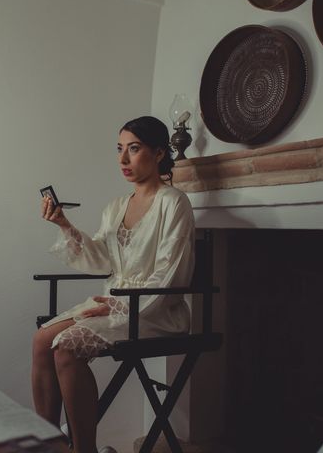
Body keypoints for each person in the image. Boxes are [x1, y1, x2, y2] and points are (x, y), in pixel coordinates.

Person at [31, 116, 194, 453]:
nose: (123, 160)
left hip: (155, 312)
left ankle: (83, 449)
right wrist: (64, 224)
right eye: (119, 149)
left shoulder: (174, 203)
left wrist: (122, 304)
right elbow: (102, 260)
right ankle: (48, 444)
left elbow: (170, 273)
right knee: (41, 340)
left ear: (160, 152)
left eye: (133, 149)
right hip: (114, 302)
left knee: (66, 347)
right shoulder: (116, 206)